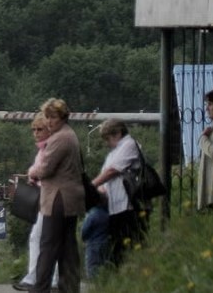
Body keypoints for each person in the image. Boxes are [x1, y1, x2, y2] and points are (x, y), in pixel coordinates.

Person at [26, 98, 85, 293]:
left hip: (58, 198)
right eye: (47, 117)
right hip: (70, 197)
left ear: (63, 117)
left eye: (53, 117)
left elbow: (45, 168)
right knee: (67, 245)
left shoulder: (60, 138)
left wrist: (31, 172)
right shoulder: (69, 134)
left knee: (48, 244)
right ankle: (69, 285)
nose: (49, 121)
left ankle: (40, 287)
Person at [88, 119, 142, 272]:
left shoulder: (129, 144)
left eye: (108, 138)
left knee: (125, 245)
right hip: (115, 205)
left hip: (127, 204)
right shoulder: (115, 151)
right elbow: (107, 173)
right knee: (116, 246)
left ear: (118, 133)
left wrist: (92, 185)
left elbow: (113, 171)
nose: (107, 143)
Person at [15, 115, 58, 292]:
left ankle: (39, 278)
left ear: (50, 129)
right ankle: (45, 278)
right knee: (42, 238)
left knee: (43, 238)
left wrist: (33, 172)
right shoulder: (43, 149)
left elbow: (45, 170)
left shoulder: (52, 148)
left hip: (54, 198)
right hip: (47, 196)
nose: (35, 133)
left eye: (39, 129)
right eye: (33, 129)